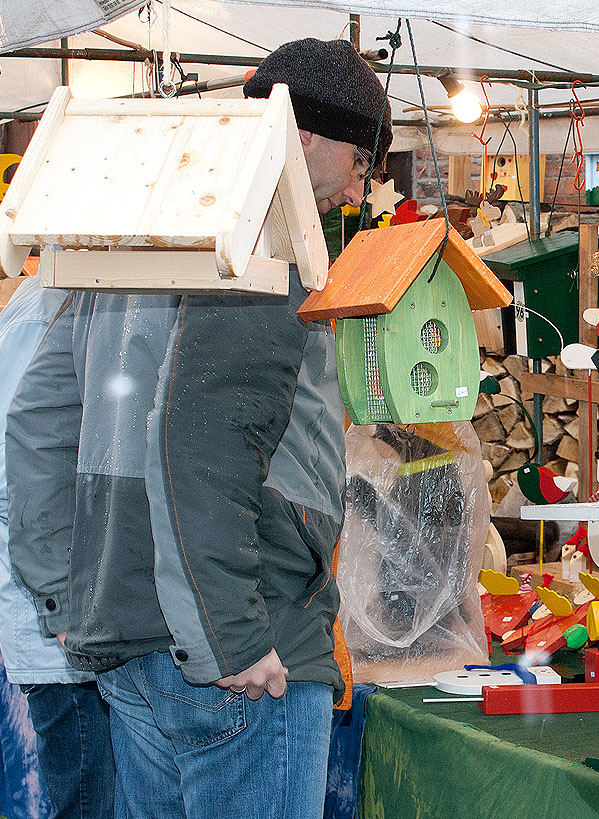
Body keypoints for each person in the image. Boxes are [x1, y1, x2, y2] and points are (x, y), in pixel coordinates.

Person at [6, 37, 390, 819]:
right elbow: (200, 440)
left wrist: (64, 596)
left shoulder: (137, 237)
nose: (361, 185)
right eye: (361, 158)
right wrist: (232, 638)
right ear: (303, 135)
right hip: (236, 647)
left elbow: (38, 422)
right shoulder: (258, 239)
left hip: (130, 639)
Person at [0, 275, 114, 819]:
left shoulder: (77, 293)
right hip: (64, 645)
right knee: (93, 802)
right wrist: (66, 611)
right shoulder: (43, 307)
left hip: (89, 629)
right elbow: (15, 479)